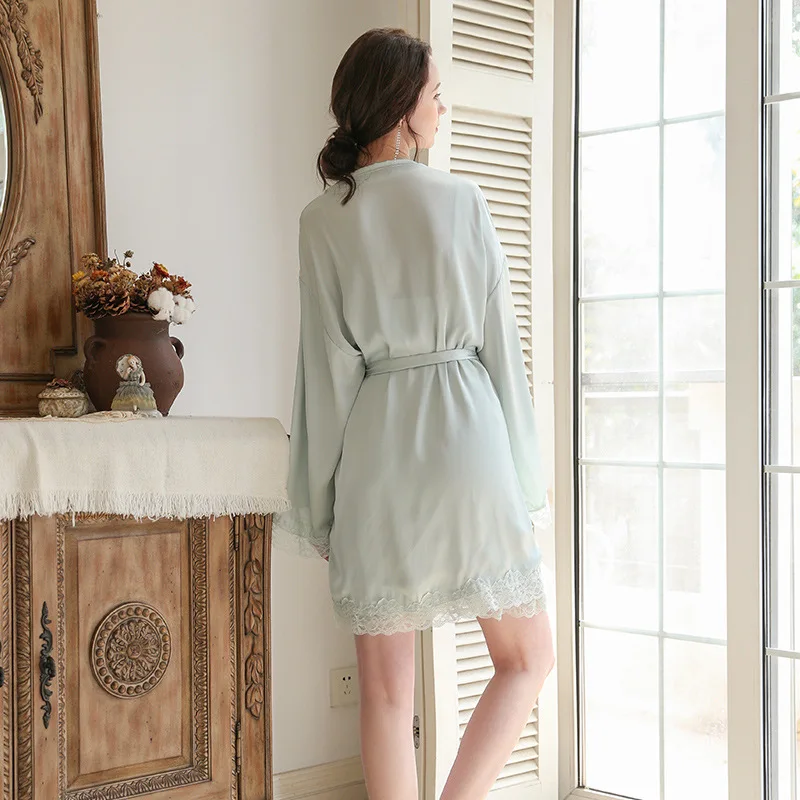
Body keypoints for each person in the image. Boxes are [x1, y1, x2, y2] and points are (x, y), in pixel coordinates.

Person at [274, 27, 554, 800]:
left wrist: (320, 508)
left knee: (387, 694)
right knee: (527, 658)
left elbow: (325, 375)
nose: (443, 108)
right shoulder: (465, 201)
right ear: (403, 107)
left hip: (379, 452)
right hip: (470, 445)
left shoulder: (322, 220)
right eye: (435, 94)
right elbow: (502, 353)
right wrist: (524, 483)